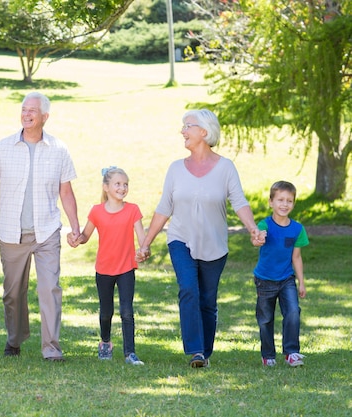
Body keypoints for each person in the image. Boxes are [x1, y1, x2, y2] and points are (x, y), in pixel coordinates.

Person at [137, 109, 263, 368]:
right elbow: (164, 207)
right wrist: (146, 242)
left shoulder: (226, 167)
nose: (182, 131)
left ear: (204, 132)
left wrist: (252, 228)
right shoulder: (175, 169)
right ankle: (195, 350)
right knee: (188, 290)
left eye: (187, 126)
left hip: (214, 244)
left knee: (207, 299)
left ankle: (205, 352)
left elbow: (239, 202)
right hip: (180, 238)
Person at [0, 92, 80, 361]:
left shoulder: (59, 149)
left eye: (32, 110)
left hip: (47, 232)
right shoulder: (3, 147)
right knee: (13, 293)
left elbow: (66, 193)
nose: (26, 114)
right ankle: (14, 339)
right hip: (12, 233)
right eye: (24, 109)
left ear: (45, 117)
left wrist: (75, 228)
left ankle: (51, 347)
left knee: (50, 289)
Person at [68, 167, 146, 365]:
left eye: (125, 184)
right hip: (104, 269)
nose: (122, 188)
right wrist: (77, 239)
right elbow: (86, 235)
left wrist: (144, 250)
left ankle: (130, 353)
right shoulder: (96, 211)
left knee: (127, 311)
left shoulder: (133, 210)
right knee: (106, 311)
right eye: (117, 184)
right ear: (106, 187)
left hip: (126, 267)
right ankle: (105, 342)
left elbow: (142, 239)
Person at [252, 181, 308, 367]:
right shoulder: (264, 224)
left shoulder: (297, 229)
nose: (285, 204)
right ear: (271, 202)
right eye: (280, 200)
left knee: (293, 312)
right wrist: (259, 238)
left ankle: (291, 352)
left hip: (286, 279)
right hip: (265, 280)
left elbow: (297, 257)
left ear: (293, 204)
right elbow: (257, 238)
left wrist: (301, 282)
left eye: (289, 201)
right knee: (265, 318)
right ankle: (268, 355)